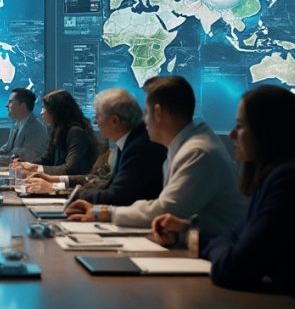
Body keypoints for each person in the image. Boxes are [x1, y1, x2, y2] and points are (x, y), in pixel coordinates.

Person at [148, 85, 295, 307]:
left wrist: (226, 246)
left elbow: (232, 269)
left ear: (268, 131)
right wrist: (187, 232)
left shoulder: (291, 183)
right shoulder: (282, 176)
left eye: (240, 126)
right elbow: (236, 238)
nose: (232, 134)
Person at [65, 76, 245, 237]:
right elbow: (160, 205)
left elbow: (165, 210)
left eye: (146, 113)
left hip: (215, 256)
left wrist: (103, 213)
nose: (144, 120)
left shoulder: (197, 152)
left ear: (157, 113)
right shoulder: (185, 145)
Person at [25, 88, 167, 206]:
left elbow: (116, 196)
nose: (95, 121)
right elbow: (103, 182)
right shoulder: (128, 142)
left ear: (114, 121)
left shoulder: (139, 147)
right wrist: (56, 181)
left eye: (98, 116)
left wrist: (54, 189)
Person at [11, 89, 99, 176]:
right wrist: (25, 165)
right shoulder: (57, 131)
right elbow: (48, 160)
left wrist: (34, 168)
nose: (41, 112)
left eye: (44, 108)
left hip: (73, 186)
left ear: (56, 111)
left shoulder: (76, 132)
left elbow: (69, 169)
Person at [0, 88, 48, 166]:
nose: (6, 105)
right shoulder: (16, 125)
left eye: (10, 102)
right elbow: (7, 149)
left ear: (23, 106)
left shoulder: (35, 128)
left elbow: (21, 159)